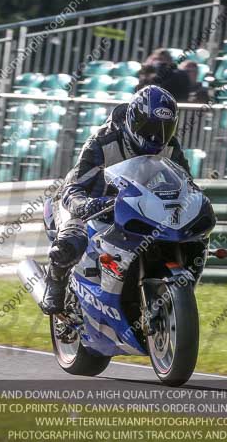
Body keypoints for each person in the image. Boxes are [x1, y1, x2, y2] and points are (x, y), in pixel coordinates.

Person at [41, 85, 203, 314]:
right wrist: (85, 204)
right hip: (90, 201)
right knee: (71, 238)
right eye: (149, 127)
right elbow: (74, 186)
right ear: (133, 120)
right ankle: (55, 283)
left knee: (189, 235)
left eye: (166, 128)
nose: (157, 135)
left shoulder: (170, 146)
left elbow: (186, 183)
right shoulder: (103, 139)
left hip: (132, 207)